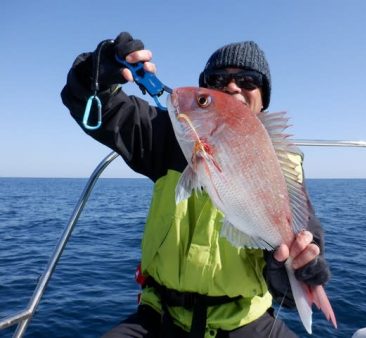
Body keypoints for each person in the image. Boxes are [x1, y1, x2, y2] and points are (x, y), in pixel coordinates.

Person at [61, 32, 331, 338]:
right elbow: (90, 101)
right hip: (159, 318)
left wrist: (299, 268)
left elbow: (301, 242)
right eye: (216, 81)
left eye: (248, 79)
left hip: (245, 321)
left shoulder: (281, 164)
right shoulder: (163, 136)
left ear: (263, 98)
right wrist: (101, 68)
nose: (232, 86)